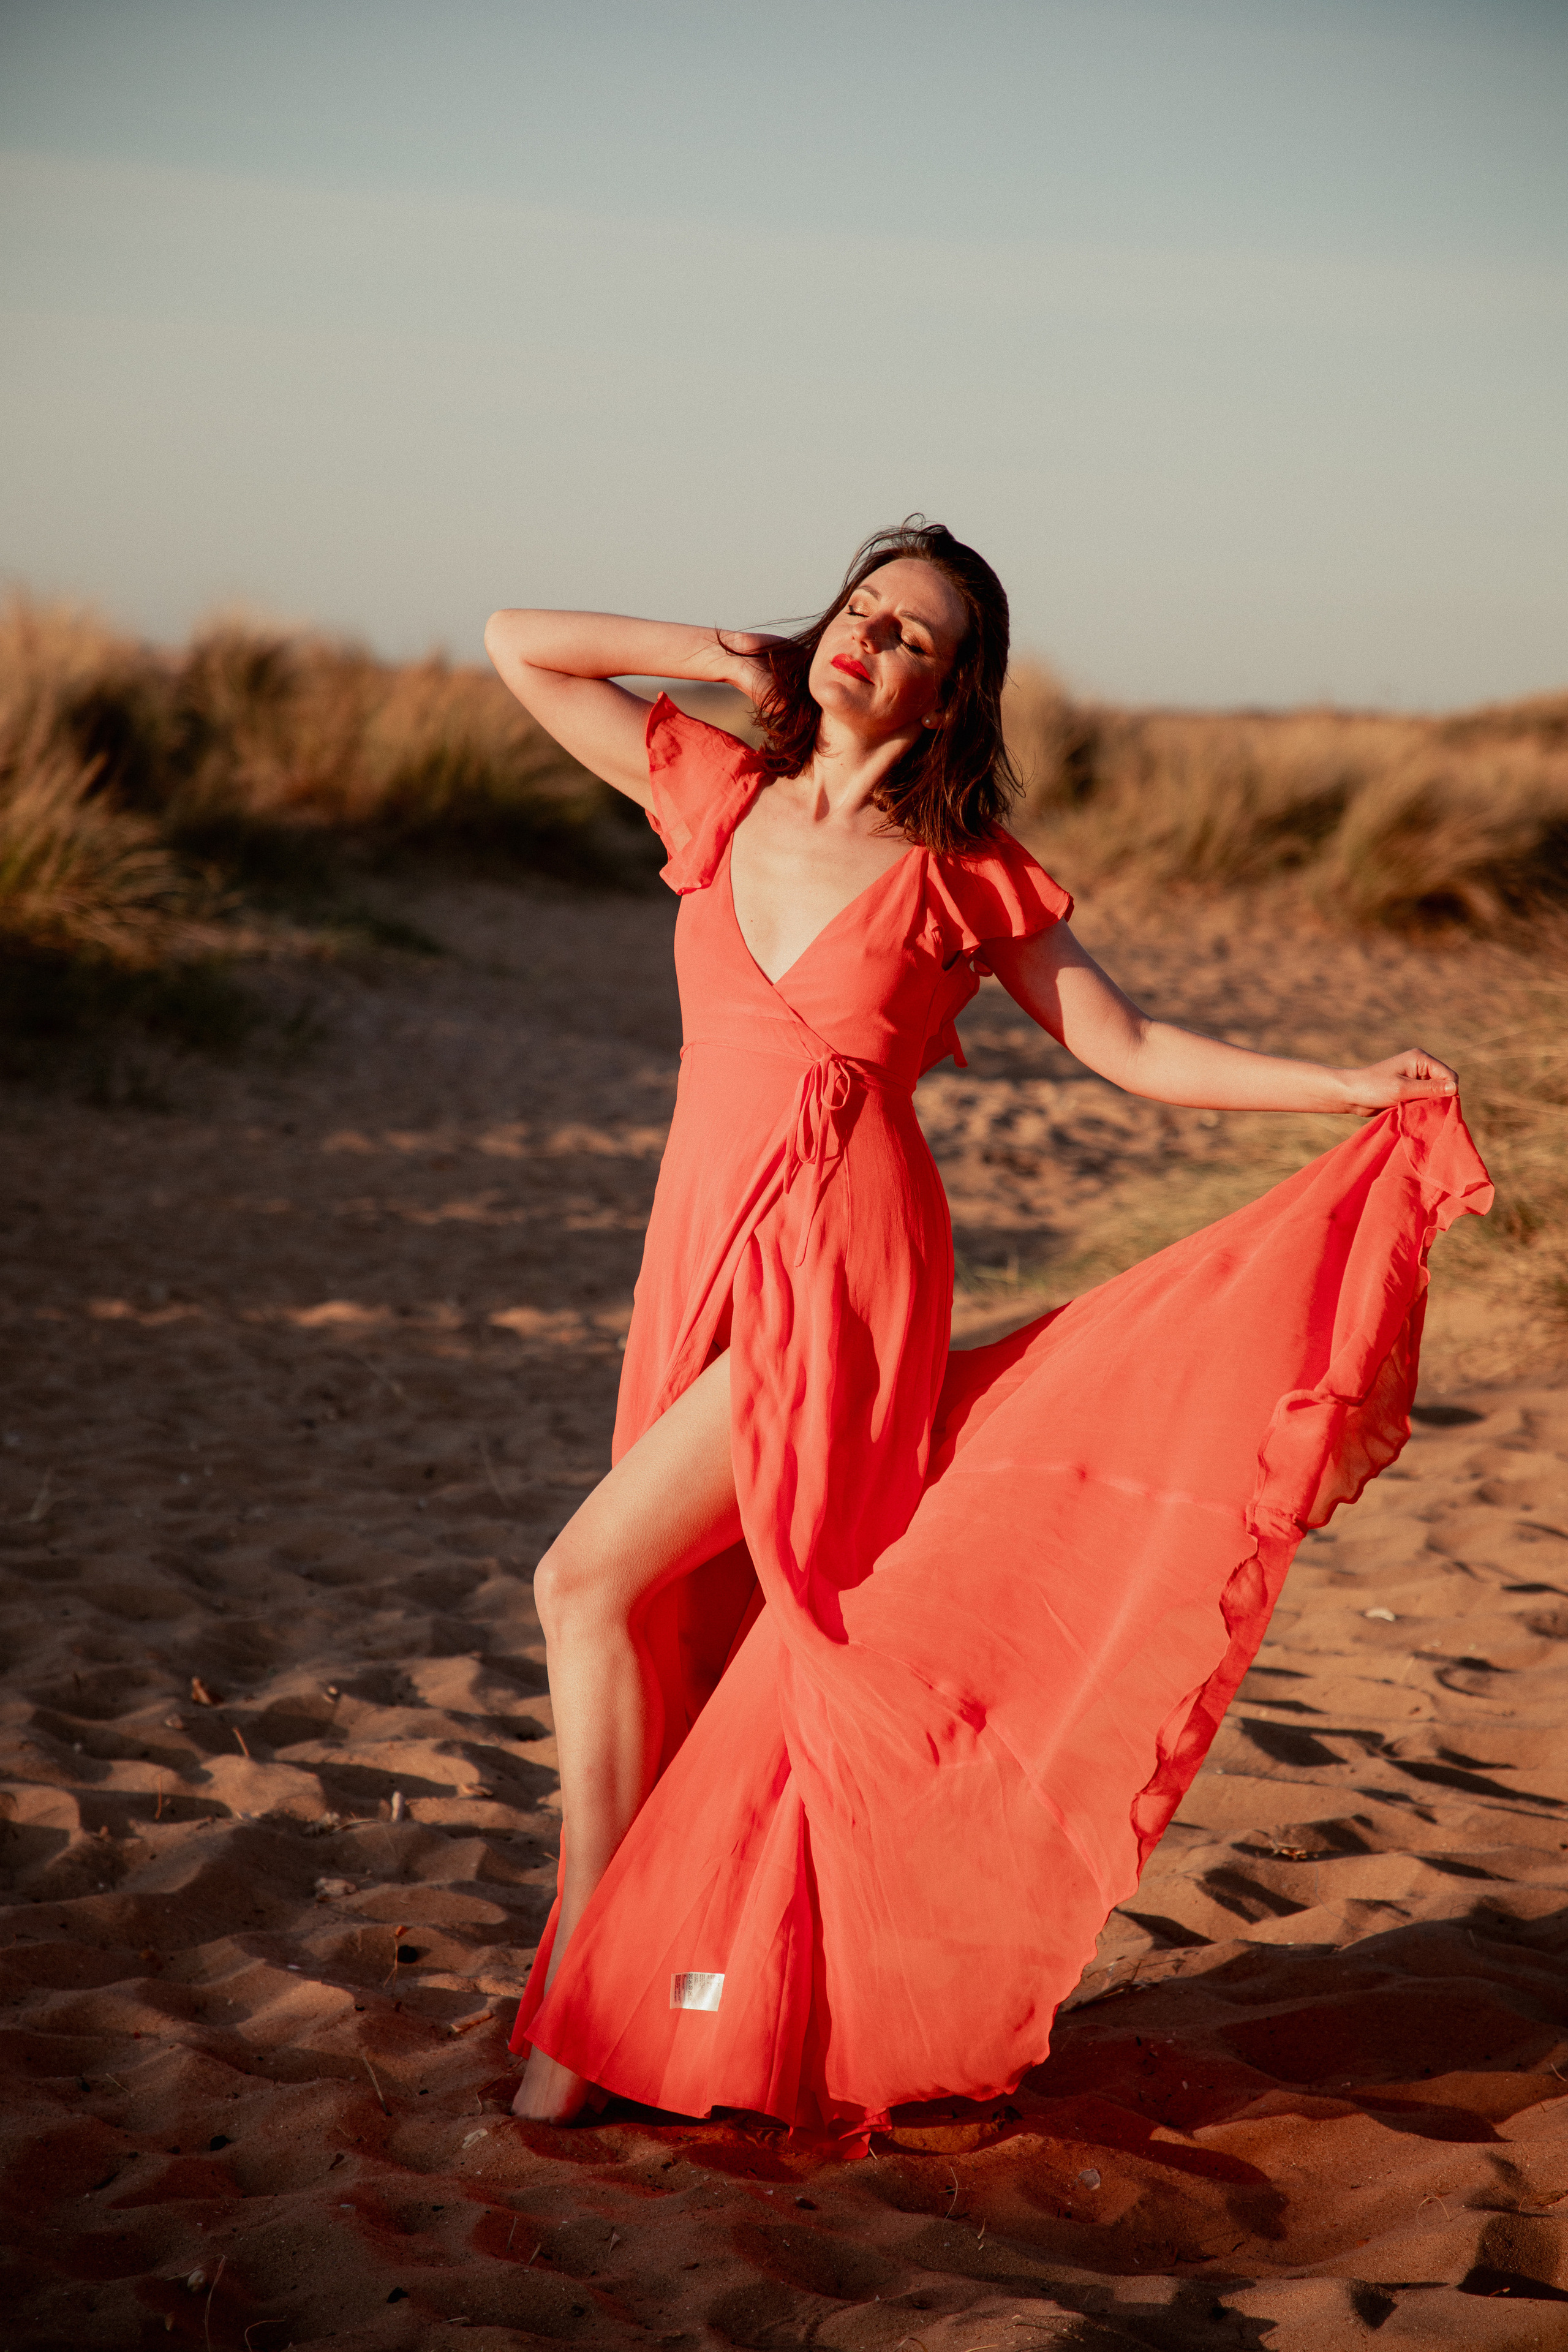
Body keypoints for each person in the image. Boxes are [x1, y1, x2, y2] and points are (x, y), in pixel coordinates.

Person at [484, 519, 1489, 2134]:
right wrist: (717, 651)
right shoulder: (715, 790)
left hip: (843, 1275)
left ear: (955, 697)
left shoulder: (964, 873)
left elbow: (1136, 1045)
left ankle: (588, 2006)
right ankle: (674, 1998)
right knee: (679, 1624)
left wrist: (1343, 1084)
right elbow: (518, 639)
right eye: (864, 615)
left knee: (582, 1584)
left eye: (917, 641)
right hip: (703, 1250)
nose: (874, 647)